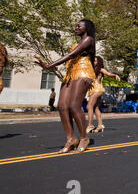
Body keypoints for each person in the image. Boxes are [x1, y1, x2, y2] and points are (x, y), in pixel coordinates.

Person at [34, 19, 96, 153]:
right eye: (75, 25)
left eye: (79, 25)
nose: (76, 27)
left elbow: (72, 55)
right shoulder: (77, 43)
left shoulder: (89, 40)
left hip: (83, 72)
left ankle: (84, 138)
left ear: (87, 27)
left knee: (74, 106)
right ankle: (71, 138)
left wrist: (48, 66)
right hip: (70, 73)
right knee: (62, 106)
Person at [86, 56, 120, 133]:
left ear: (99, 62)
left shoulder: (100, 69)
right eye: (93, 60)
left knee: (89, 106)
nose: (94, 62)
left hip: (97, 89)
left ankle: (90, 125)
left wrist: (115, 75)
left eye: (95, 60)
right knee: (95, 108)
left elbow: (108, 73)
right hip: (93, 90)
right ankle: (100, 125)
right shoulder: (91, 70)